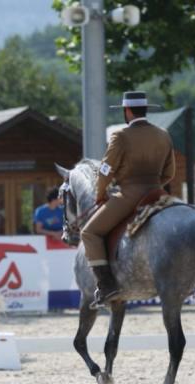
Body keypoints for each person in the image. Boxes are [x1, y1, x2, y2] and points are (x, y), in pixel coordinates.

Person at [81, 91, 175, 308]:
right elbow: (170, 173)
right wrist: (155, 185)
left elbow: (105, 171)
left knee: (89, 232)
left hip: (129, 195)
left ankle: (107, 285)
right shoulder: (163, 134)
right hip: (157, 193)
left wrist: (100, 194)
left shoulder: (120, 136)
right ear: (145, 109)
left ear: (127, 111)